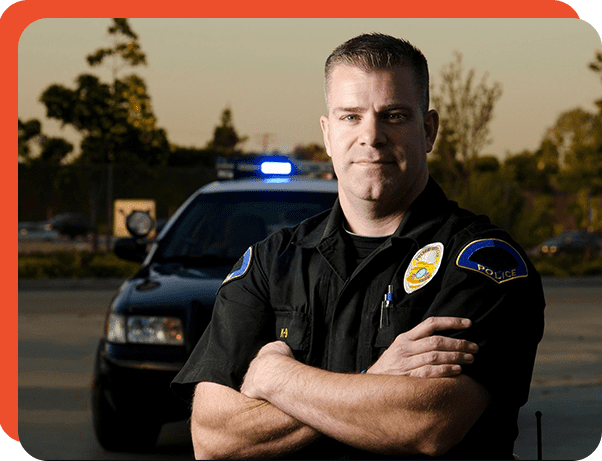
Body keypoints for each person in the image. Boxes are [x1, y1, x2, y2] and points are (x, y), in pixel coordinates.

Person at [171, 33, 545, 459]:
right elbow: (214, 438)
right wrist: (375, 378)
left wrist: (277, 379)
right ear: (328, 134)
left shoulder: (483, 261)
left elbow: (427, 423)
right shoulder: (270, 264)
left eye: (395, 116)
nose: (372, 135)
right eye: (351, 117)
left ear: (428, 130)